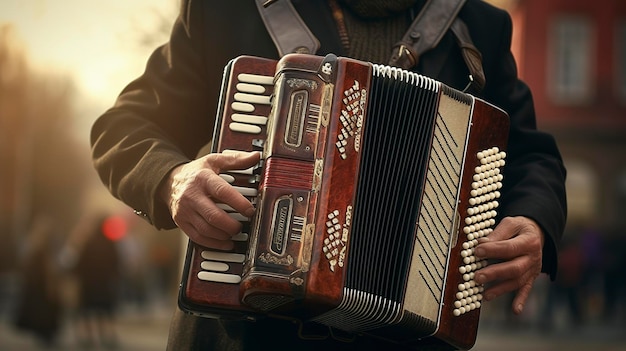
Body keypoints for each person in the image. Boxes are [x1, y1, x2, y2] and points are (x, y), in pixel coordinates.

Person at [90, 0, 567, 349]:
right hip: (244, 335)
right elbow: (124, 126)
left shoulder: (479, 25)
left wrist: (533, 220)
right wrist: (171, 179)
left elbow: (531, 156)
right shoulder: (226, 9)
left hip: (410, 339)